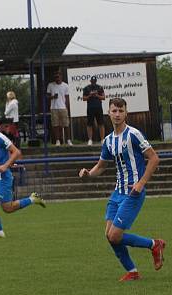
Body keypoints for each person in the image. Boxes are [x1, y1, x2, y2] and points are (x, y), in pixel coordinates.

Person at [78, 98, 165, 282]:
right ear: (108, 113)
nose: (117, 114)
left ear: (126, 113)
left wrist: (141, 183)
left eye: (120, 111)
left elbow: (154, 158)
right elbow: (101, 167)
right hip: (118, 192)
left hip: (133, 192)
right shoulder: (108, 140)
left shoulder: (134, 134)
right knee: (109, 236)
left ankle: (154, 244)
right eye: (114, 111)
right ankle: (132, 272)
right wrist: (88, 174)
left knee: (115, 235)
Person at [0, 115, 46, 239]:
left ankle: (32, 199)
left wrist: (6, 165)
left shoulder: (1, 138)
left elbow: (17, 152)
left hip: (3, 177)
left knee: (7, 208)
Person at [47, 72, 72, 146]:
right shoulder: (50, 85)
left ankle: (68, 140)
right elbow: (47, 96)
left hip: (63, 107)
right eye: (55, 77)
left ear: (61, 77)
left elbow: (67, 98)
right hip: (54, 108)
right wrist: (52, 97)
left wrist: (67, 107)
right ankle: (57, 140)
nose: (57, 78)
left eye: (58, 76)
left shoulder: (65, 85)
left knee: (66, 124)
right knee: (55, 125)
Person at [83, 76, 106, 145]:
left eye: (94, 81)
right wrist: (90, 95)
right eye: (92, 81)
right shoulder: (86, 88)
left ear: (96, 81)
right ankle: (90, 140)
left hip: (98, 107)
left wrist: (97, 95)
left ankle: (102, 140)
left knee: (101, 123)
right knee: (89, 124)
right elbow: (84, 98)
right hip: (90, 108)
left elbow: (103, 97)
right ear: (90, 81)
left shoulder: (100, 87)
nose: (93, 82)